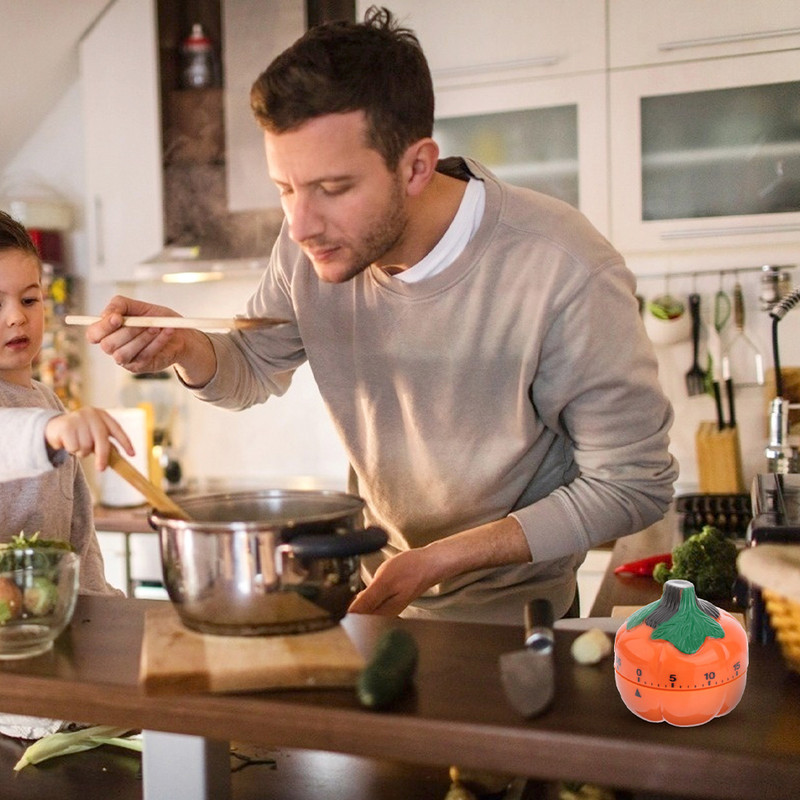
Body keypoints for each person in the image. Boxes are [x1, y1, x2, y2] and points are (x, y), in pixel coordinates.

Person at [85, 7, 678, 625]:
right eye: (285, 188)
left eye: (333, 188)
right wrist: (182, 346)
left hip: (513, 618)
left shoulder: (561, 266)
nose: (298, 224)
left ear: (417, 166)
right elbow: (252, 367)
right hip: (377, 598)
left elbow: (633, 485)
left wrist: (438, 560)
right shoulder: (308, 248)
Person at [0, 210, 132, 595]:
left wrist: (101, 602)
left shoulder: (48, 401)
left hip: (55, 624)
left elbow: (79, 538)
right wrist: (49, 430)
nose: (16, 318)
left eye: (29, 299)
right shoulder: (49, 421)